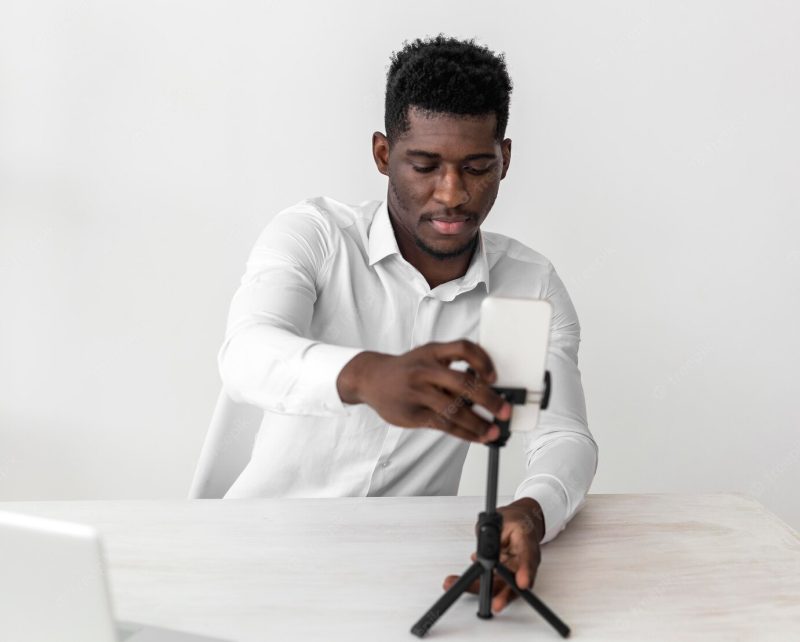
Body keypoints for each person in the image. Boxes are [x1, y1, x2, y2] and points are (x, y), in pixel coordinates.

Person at [217, 34, 598, 613]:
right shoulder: (315, 236)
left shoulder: (529, 285)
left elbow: (562, 434)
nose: (452, 194)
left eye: (476, 167)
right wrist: (367, 375)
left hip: (403, 576)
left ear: (505, 160)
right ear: (382, 154)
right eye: (424, 166)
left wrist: (532, 510)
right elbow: (245, 356)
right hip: (255, 556)